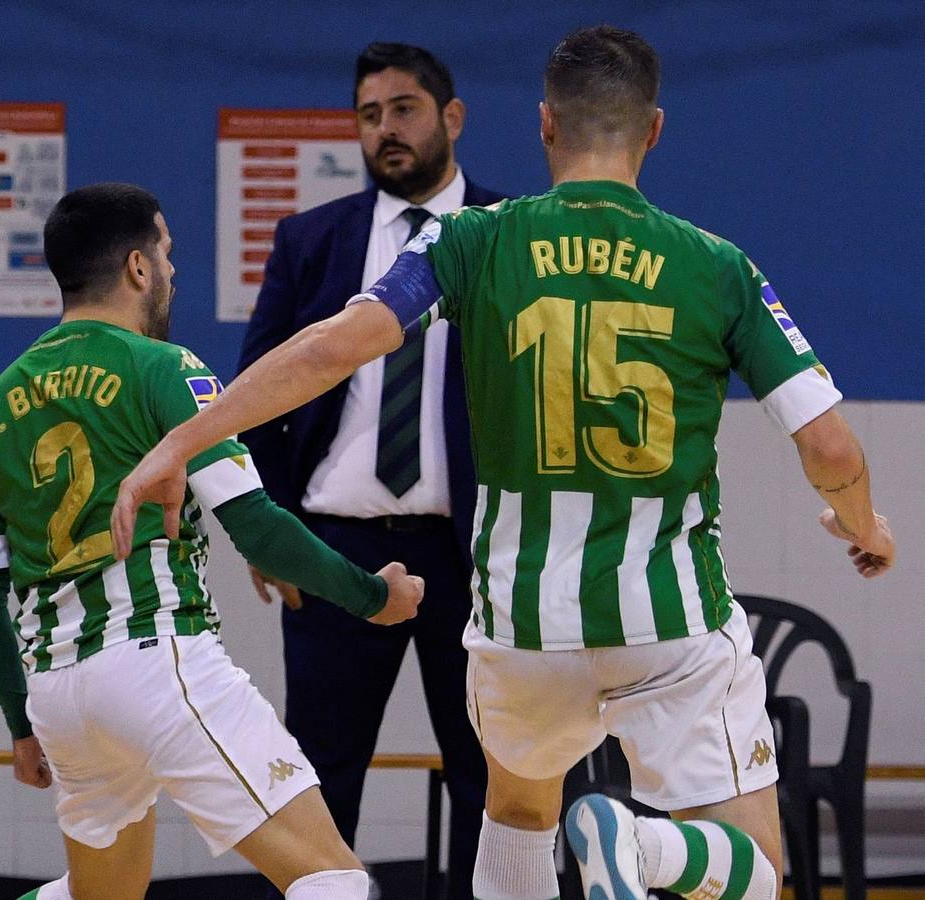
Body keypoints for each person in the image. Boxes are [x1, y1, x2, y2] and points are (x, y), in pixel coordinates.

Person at [112, 25, 896, 900]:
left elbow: (331, 348)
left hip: (519, 623)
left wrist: (180, 441)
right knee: (757, 872)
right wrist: (862, 525)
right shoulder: (718, 266)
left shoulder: (472, 240)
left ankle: (607, 845)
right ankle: (647, 852)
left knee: (519, 816)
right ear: (655, 131)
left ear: (545, 127)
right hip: (665, 619)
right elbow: (829, 446)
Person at [0, 183, 424, 900]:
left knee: (99, 896)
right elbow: (258, 529)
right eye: (167, 253)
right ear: (139, 267)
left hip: (57, 692)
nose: (173, 272)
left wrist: (21, 723)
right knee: (333, 879)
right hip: (155, 660)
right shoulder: (166, 369)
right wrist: (372, 596)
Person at [238, 42, 503, 897]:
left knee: (490, 775)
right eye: (368, 114)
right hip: (334, 549)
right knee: (316, 776)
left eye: (404, 109)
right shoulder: (311, 240)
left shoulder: (509, 235)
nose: (385, 130)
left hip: (472, 554)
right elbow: (256, 395)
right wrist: (272, 531)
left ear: (451, 118)